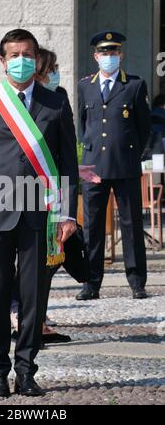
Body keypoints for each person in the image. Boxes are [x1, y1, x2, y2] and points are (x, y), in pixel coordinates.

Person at [0, 29, 79, 398]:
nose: (21, 60)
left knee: (33, 298)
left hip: (39, 216)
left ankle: (26, 371)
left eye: (27, 54)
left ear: (36, 57)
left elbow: (67, 165)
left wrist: (67, 214)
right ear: (2, 61)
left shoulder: (55, 103)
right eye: (14, 55)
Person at [10, 47, 100, 344]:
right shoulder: (12, 101)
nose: (56, 73)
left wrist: (77, 167)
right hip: (22, 190)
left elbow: (66, 144)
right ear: (40, 70)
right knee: (28, 258)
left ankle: (35, 318)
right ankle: (23, 317)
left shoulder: (58, 97)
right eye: (52, 68)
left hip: (53, 192)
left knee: (50, 256)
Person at [77, 31, 151, 301]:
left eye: (113, 53)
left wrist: (130, 153)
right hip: (93, 166)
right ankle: (91, 282)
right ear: (95, 57)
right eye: (103, 53)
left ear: (120, 55)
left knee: (131, 225)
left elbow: (144, 128)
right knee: (92, 226)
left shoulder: (134, 85)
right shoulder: (85, 85)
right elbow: (83, 125)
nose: (108, 57)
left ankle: (136, 282)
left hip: (125, 164)